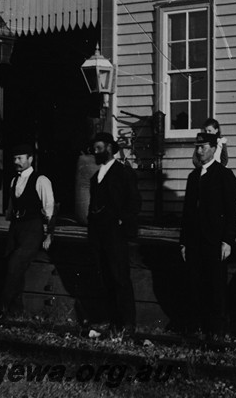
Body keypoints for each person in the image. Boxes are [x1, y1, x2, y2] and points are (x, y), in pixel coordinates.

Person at [180, 132, 236, 336]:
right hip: (195, 243)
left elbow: (234, 211)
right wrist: (184, 242)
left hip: (215, 243)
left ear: (214, 148)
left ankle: (218, 331)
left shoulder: (224, 176)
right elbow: (187, 213)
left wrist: (227, 240)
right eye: (197, 147)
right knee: (194, 286)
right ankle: (195, 328)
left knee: (216, 289)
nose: (199, 151)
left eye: (203, 147)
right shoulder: (193, 177)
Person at [88, 132, 141, 333]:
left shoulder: (123, 173)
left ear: (110, 148)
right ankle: (110, 320)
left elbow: (134, 203)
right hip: (98, 234)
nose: (95, 151)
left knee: (119, 277)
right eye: (94, 148)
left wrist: (122, 222)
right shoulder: (96, 176)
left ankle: (127, 323)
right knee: (104, 277)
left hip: (115, 234)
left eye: (99, 148)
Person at [0, 143, 55, 318]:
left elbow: (49, 208)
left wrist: (49, 234)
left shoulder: (41, 180)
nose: (16, 161)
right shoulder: (14, 180)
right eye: (14, 158)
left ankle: (1, 309)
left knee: (15, 264)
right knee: (12, 266)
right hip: (16, 227)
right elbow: (10, 208)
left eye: (20, 158)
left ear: (30, 159)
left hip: (33, 228)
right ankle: (16, 310)